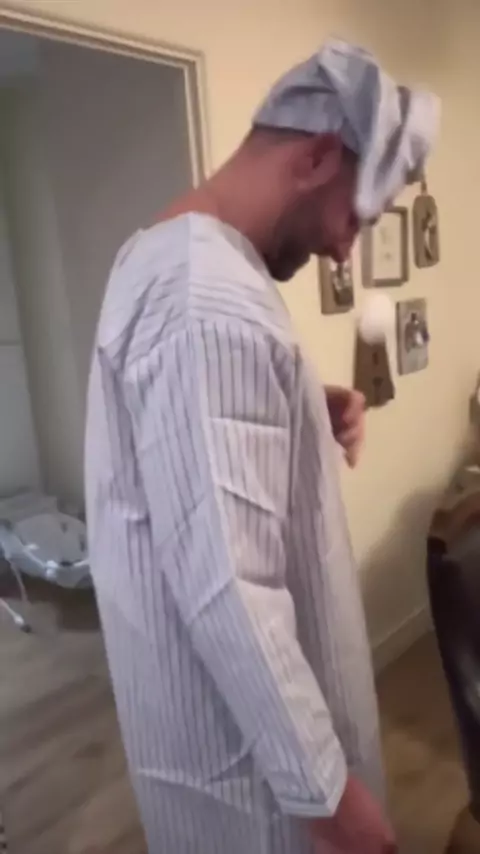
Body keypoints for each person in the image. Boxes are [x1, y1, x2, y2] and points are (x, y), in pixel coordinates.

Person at [85, 38, 439, 854]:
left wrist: (298, 405)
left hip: (223, 753)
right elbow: (229, 586)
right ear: (316, 157)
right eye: (356, 217)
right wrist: (329, 797)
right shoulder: (207, 302)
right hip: (257, 793)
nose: (345, 249)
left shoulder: (162, 261)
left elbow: (171, 464)